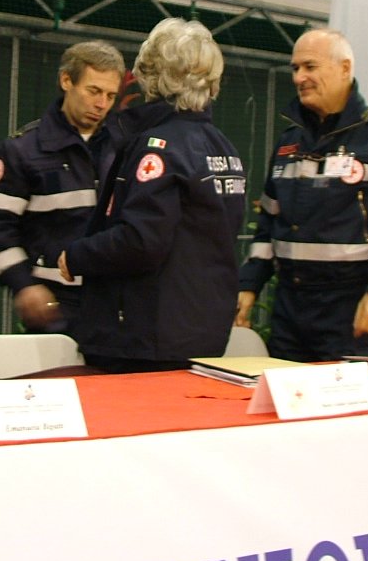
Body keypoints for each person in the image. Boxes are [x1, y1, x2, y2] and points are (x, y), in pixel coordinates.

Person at [58, 18, 246, 372]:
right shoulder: (224, 147)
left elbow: (142, 240)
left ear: (152, 74)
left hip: (144, 339)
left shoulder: (157, 147)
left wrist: (78, 256)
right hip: (204, 331)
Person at [236, 28, 368, 362]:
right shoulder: (288, 143)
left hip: (350, 314)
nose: (300, 77)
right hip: (289, 315)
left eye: (310, 67)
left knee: (347, 413)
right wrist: (249, 285)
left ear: (345, 68)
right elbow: (268, 225)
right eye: (295, 68)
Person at [0, 40, 126, 333]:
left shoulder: (123, 146)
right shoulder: (22, 150)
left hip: (114, 304)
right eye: (94, 91)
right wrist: (24, 285)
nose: (102, 104)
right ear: (66, 80)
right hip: (54, 309)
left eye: (110, 95)